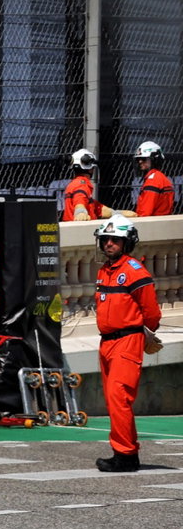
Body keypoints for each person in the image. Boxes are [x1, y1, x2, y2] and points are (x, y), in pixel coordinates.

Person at [92, 214, 162, 472]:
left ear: (127, 242)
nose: (109, 244)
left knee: (118, 396)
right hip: (107, 342)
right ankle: (127, 454)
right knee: (114, 401)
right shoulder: (103, 271)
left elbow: (152, 312)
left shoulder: (134, 272)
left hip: (127, 341)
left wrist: (145, 335)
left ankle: (124, 455)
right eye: (106, 239)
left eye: (115, 240)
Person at [132, 141, 174, 217]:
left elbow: (145, 213)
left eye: (143, 158)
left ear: (154, 159)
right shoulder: (161, 177)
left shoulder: (153, 180)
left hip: (153, 224)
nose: (140, 161)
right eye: (138, 159)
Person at [62, 149, 105, 221]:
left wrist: (117, 213)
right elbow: (79, 200)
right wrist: (81, 213)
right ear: (91, 169)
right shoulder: (81, 185)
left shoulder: (73, 184)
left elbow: (98, 208)